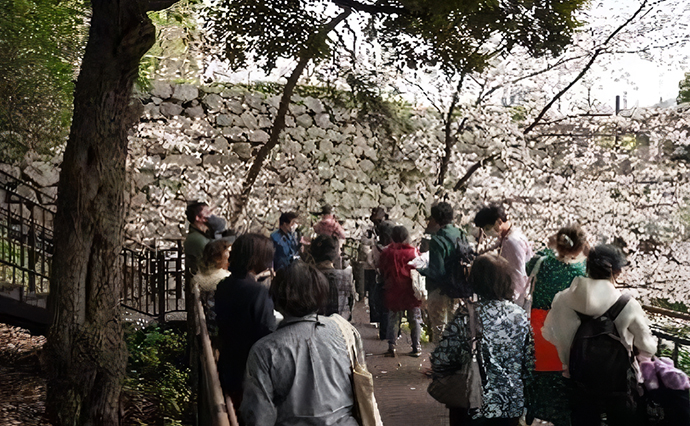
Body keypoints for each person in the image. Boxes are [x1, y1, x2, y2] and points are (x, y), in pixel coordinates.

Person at [543, 244, 657, 426]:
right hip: (618, 386)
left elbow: (549, 334)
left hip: (578, 381)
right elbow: (648, 347)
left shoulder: (563, 299)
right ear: (617, 271)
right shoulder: (627, 304)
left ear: (587, 267)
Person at [240, 260, 361, 426]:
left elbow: (259, 417)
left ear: (276, 299)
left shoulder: (264, 350)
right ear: (320, 294)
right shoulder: (344, 331)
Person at [431, 254, 533, 426]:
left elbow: (442, 359)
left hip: (472, 401)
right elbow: (529, 362)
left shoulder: (466, 315)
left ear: (475, 280)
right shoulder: (519, 316)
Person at [524, 225, 589, 426]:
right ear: (580, 247)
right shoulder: (581, 270)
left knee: (537, 372)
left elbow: (527, 268)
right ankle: (561, 417)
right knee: (562, 374)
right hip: (566, 329)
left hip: (538, 325)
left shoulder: (542, 261)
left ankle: (532, 411)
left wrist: (549, 245)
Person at [214, 233, 277, 412]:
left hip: (228, 363)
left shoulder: (225, 284)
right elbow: (267, 333)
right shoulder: (257, 292)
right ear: (257, 259)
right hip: (249, 372)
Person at [418, 201, 466, 344]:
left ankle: (440, 363)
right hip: (458, 289)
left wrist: (421, 269)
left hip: (440, 290)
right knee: (454, 327)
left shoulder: (438, 240)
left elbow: (437, 272)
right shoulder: (461, 234)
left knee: (439, 328)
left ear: (436, 219)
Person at [473, 204, 533, 307]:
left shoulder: (512, 241)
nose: (487, 232)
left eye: (488, 228)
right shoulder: (506, 238)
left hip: (516, 295)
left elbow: (518, 273)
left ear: (499, 221)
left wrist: (513, 297)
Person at [379, 225, 423, 357]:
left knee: (393, 318)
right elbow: (420, 268)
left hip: (393, 290)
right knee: (414, 319)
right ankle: (416, 346)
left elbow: (381, 268)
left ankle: (391, 345)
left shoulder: (386, 252)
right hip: (410, 291)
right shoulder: (413, 252)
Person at [192, 239, 231, 341]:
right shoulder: (224, 278)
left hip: (204, 323)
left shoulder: (199, 275)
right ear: (218, 259)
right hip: (217, 326)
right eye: (227, 257)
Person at [311, 234, 356, 320]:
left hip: (314, 327)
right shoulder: (345, 276)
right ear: (334, 254)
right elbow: (350, 305)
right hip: (340, 326)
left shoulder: (307, 277)